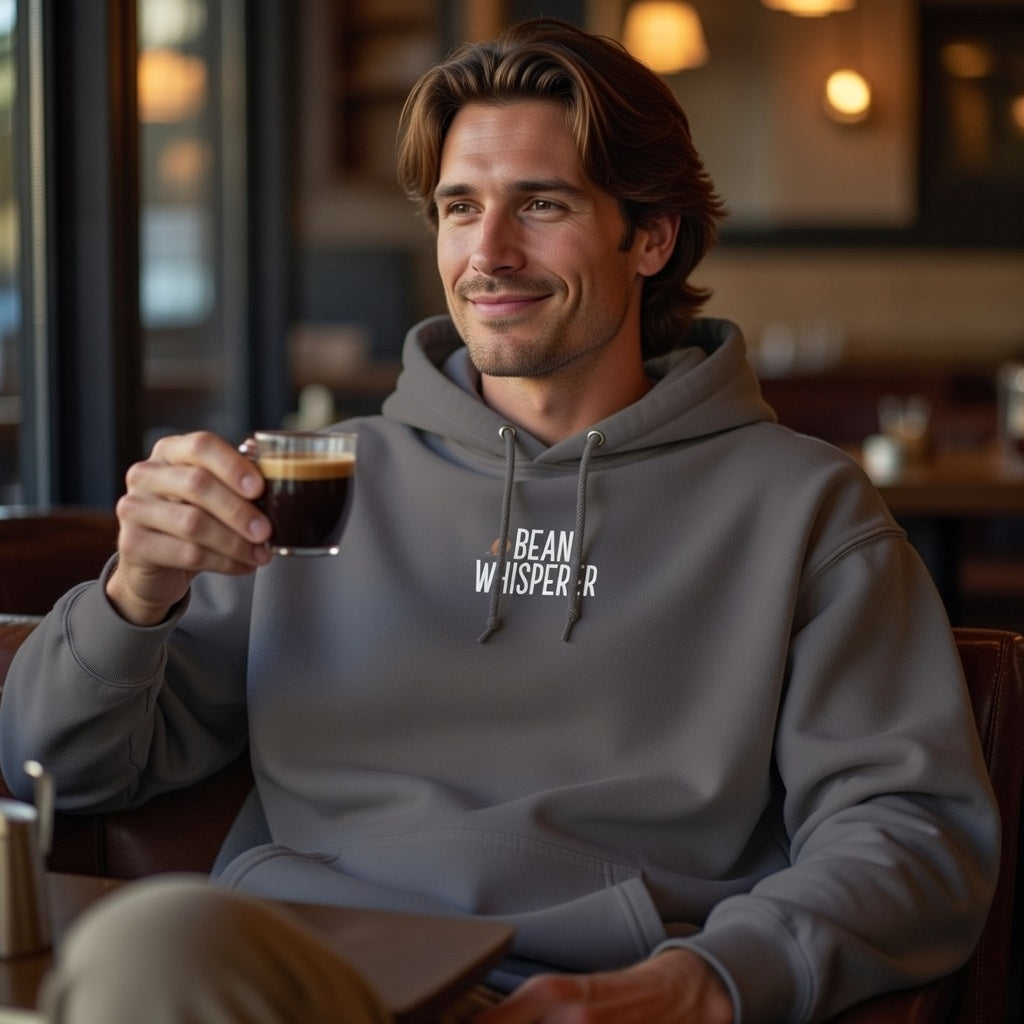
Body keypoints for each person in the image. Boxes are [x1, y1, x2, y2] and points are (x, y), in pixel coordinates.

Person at [0, 17, 999, 1024]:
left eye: (542, 204)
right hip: (309, 974)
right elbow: (59, 772)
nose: (489, 252)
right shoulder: (307, 478)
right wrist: (137, 592)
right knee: (149, 944)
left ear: (649, 236)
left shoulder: (802, 509)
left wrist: (705, 983)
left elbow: (911, 835)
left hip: (595, 994)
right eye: (458, 206)